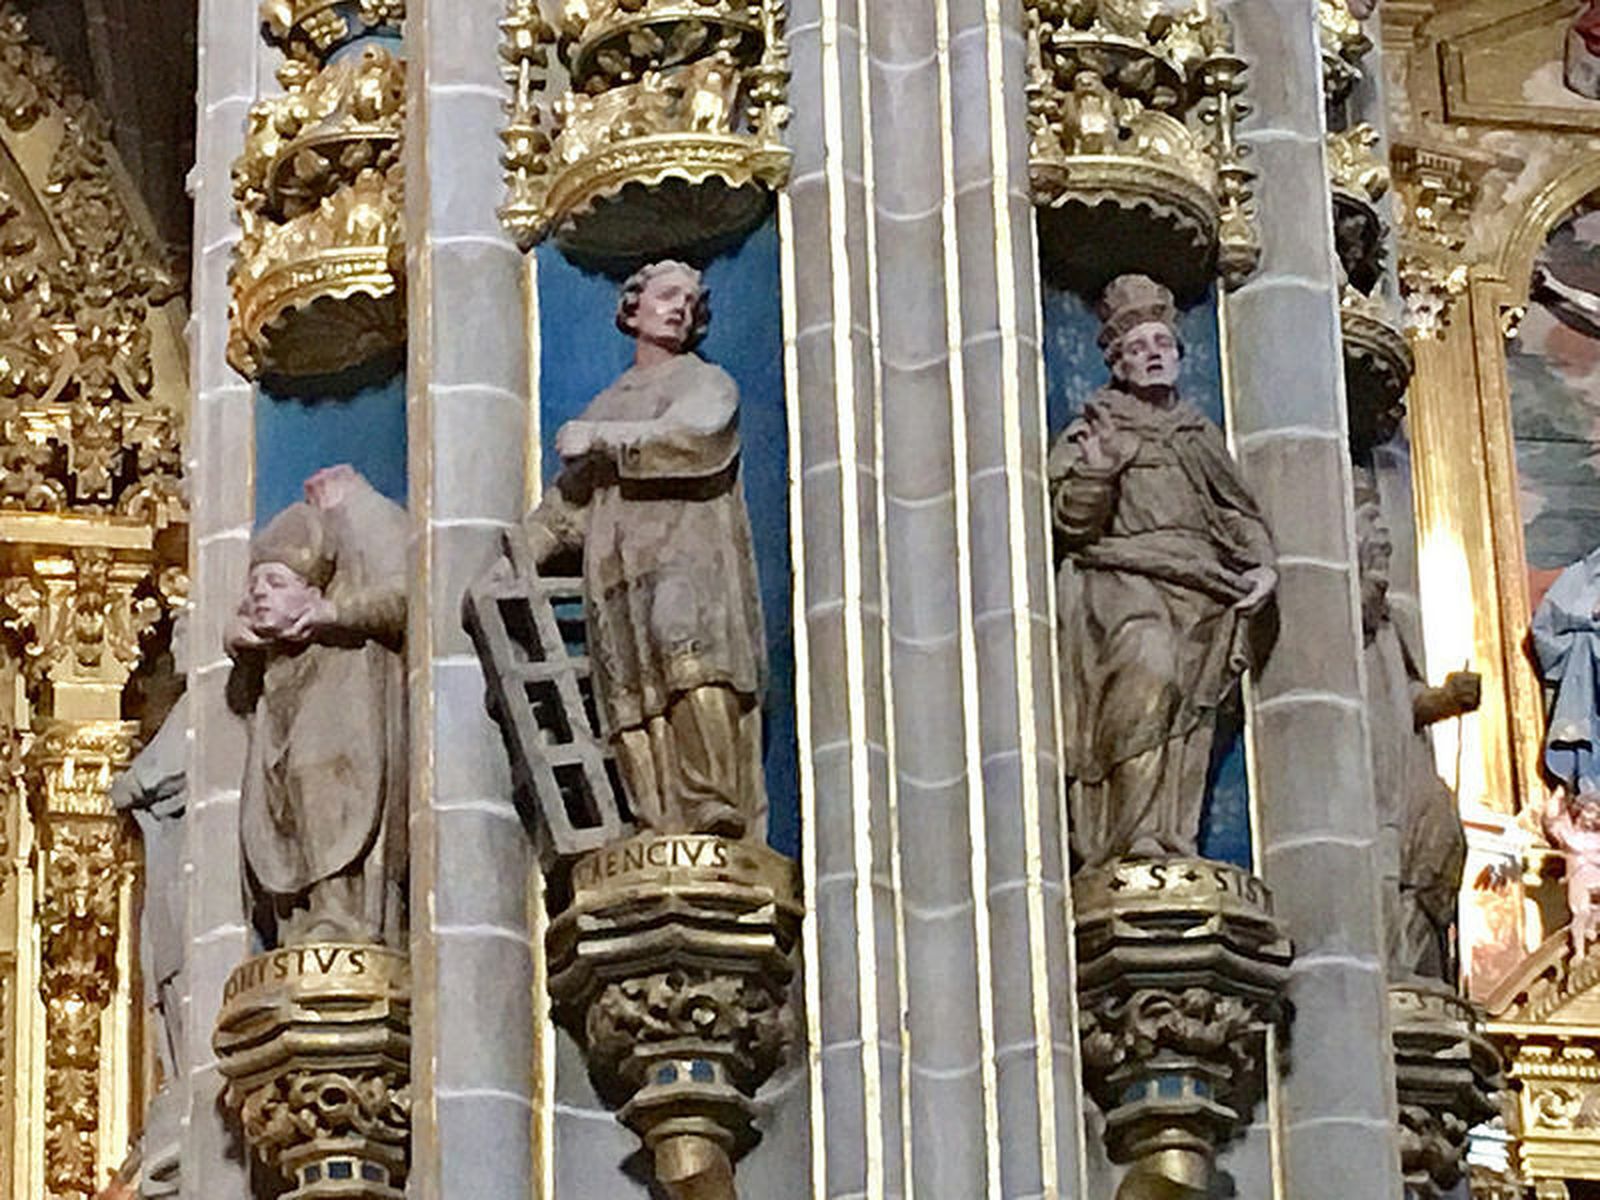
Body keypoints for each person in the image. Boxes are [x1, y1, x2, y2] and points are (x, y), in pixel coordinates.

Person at [520, 260, 767, 839]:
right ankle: (653, 814)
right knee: (626, 679)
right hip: (617, 566)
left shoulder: (702, 381)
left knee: (684, 645)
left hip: (687, 551)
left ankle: (710, 799)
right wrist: (516, 557)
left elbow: (699, 436)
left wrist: (604, 440)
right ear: (633, 309)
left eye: (690, 300)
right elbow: (567, 509)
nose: (679, 307)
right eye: (667, 295)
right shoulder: (609, 400)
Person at [1048, 274, 1276, 868]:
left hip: (1205, 591)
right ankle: (1129, 838)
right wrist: (1097, 475)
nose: (1152, 355)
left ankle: (1172, 835)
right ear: (1118, 363)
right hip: (1126, 580)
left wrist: (1263, 567)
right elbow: (1071, 527)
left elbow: (1236, 511)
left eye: (1161, 345)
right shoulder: (1096, 428)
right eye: (1138, 348)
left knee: (1188, 718)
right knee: (1148, 675)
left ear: (1178, 355)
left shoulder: (1198, 434)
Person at [228, 466, 407, 946]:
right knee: (276, 801)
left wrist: (334, 614)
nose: (261, 593)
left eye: (276, 583)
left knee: (322, 779)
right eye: (257, 584)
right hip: (283, 709)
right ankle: (296, 916)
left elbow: (407, 596)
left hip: (339, 711)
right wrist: (239, 641)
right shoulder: (274, 645)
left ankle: (339, 907)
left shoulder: (367, 545)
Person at [1356, 484, 1479, 980]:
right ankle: (1394, 967)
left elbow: (1405, 696)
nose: (1384, 550)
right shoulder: (1335, 621)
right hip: (1370, 771)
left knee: (1441, 835)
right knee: (1388, 860)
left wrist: (1448, 698)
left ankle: (1417, 962)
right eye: (1375, 545)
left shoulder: (1391, 624)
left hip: (1405, 764)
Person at [1532, 545, 1600, 799]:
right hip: (1589, 668)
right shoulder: (1585, 575)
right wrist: (1589, 616)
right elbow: (1548, 629)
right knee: (1585, 646)